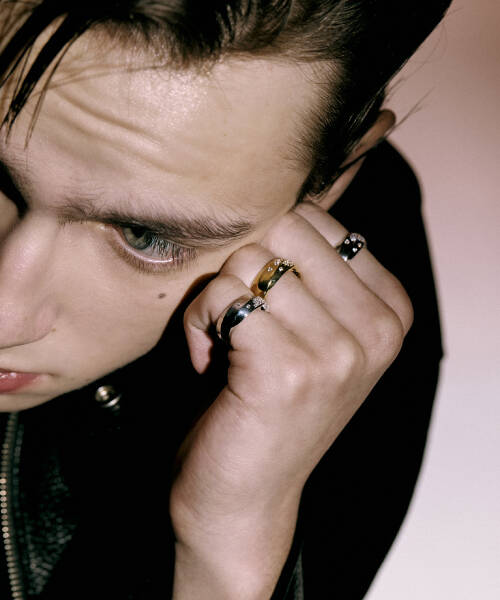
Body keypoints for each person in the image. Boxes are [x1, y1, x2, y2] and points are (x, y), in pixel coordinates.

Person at [0, 1, 449, 598]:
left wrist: (226, 553)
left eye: (145, 236)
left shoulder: (340, 323)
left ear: (330, 184)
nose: (5, 315)